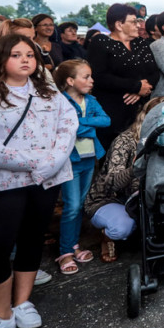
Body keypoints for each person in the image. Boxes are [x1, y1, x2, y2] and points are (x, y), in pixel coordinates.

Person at [0, 34, 77, 328]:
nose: (26, 60)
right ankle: (1, 316)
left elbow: (67, 125)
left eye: (30, 54)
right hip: (3, 181)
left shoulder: (48, 93)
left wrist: (52, 161)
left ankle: (23, 302)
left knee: (32, 238)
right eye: (16, 55)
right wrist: (34, 161)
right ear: (0, 60)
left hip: (46, 179)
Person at [85, 97, 164, 262]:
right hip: (112, 198)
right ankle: (107, 236)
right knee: (122, 228)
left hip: (143, 198)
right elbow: (113, 183)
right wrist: (136, 166)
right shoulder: (126, 141)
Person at [53, 60, 110, 275]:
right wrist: (86, 124)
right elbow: (64, 127)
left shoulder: (91, 100)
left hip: (89, 158)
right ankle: (65, 251)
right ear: (70, 81)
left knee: (80, 204)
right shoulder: (60, 102)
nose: (91, 80)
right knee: (71, 206)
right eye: (86, 77)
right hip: (70, 161)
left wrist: (80, 123)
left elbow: (105, 120)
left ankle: (74, 245)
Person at [87, 4, 159, 150]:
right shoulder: (101, 42)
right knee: (114, 156)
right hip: (114, 111)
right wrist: (136, 87)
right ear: (119, 24)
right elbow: (99, 77)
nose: (138, 25)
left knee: (141, 153)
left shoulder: (141, 43)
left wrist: (142, 90)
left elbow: (154, 73)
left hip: (141, 109)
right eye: (133, 21)